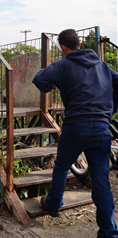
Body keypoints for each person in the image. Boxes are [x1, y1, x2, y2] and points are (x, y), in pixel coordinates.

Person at [32, 29, 118, 238]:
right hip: (100, 127)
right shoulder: (103, 67)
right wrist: (110, 108)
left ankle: (53, 202)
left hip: (75, 126)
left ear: (63, 47)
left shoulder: (63, 65)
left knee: (61, 166)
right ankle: (109, 232)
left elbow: (38, 79)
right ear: (79, 43)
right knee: (101, 180)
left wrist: (52, 84)